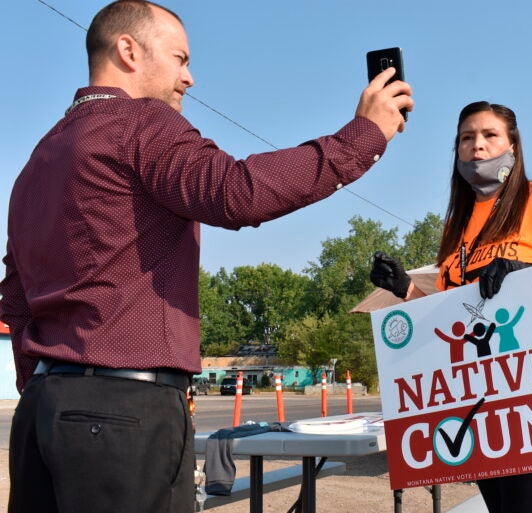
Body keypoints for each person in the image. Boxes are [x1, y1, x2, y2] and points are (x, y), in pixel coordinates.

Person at [0, 1, 413, 512]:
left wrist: (50, 387)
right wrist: (363, 136)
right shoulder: (140, 123)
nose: (190, 77)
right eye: (180, 58)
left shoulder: (38, 160)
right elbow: (235, 191)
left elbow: (15, 295)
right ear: (128, 50)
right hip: (122, 412)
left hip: (40, 414)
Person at [370, 101, 532, 513]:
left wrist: (529, 275)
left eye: (489, 136)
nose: (477, 147)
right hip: (481, 409)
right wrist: (407, 290)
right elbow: (459, 321)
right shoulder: (456, 227)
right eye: (466, 138)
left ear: (513, 147)